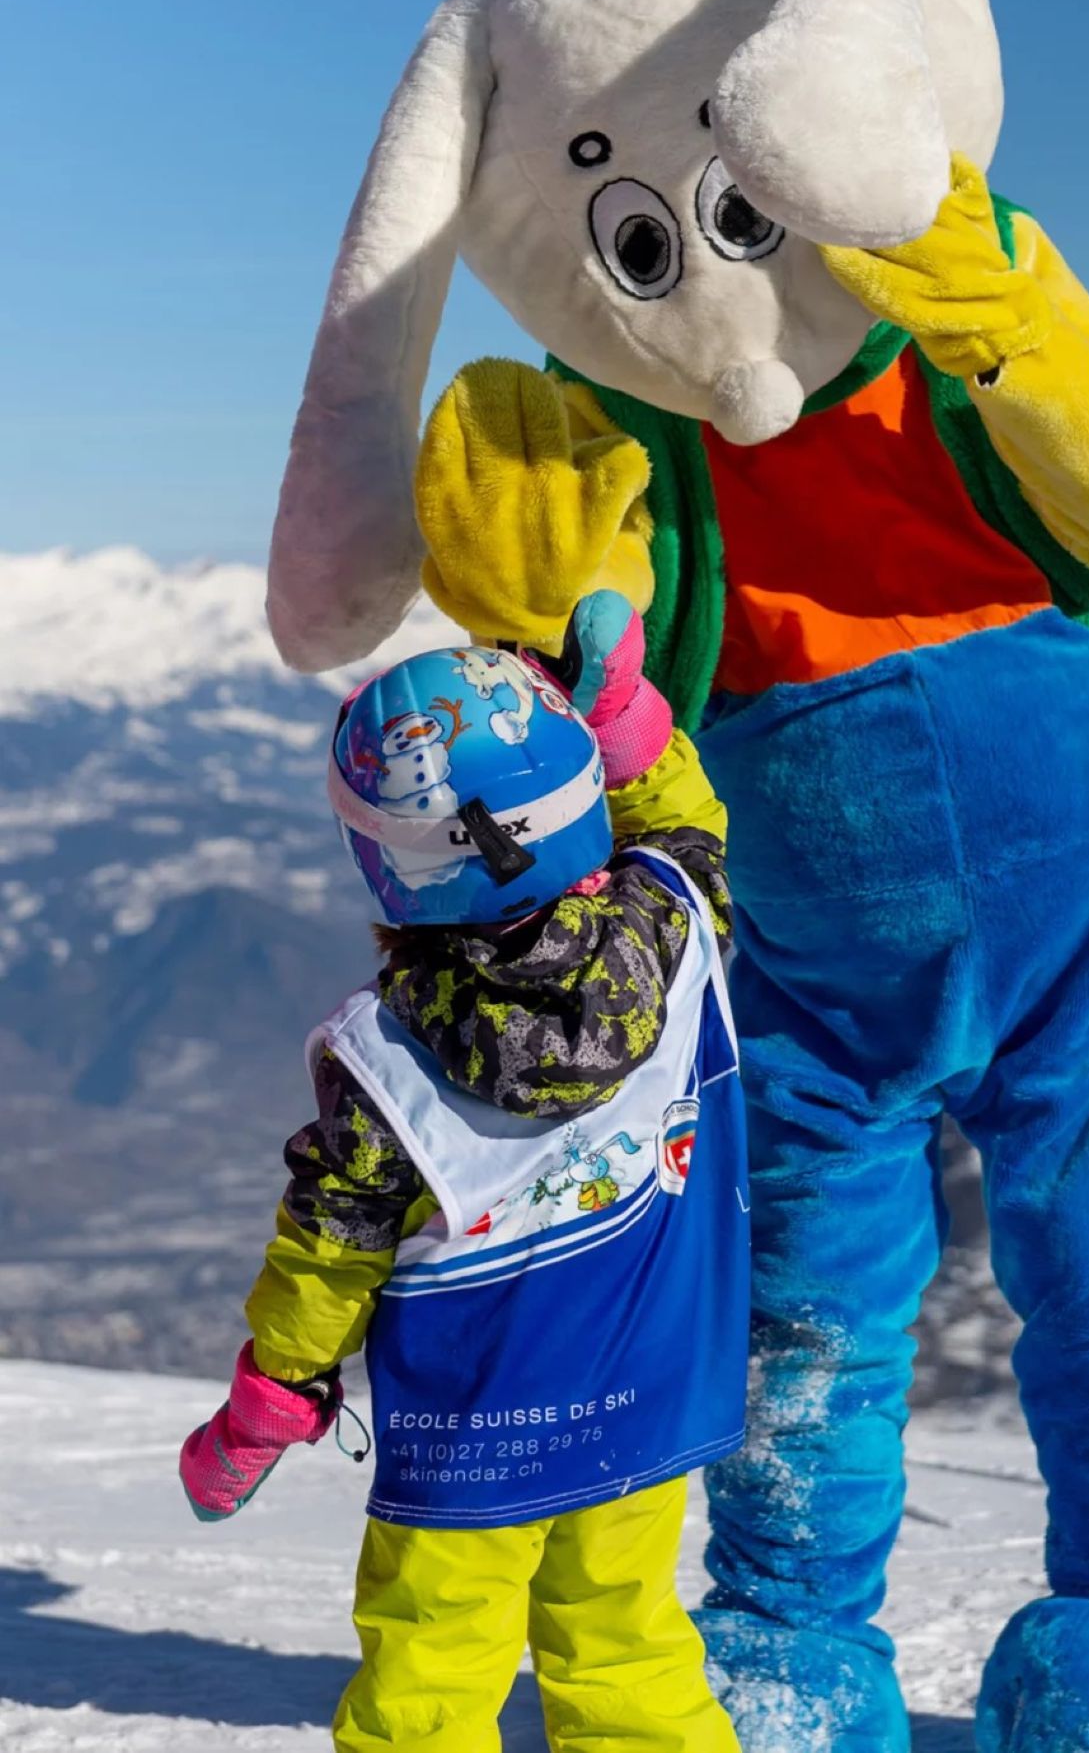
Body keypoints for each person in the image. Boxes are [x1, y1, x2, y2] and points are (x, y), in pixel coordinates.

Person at [179, 593, 747, 1753]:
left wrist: (273, 1393)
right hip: (643, 1404)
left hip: (474, 1436)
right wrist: (622, 711)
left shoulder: (387, 1056)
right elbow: (686, 817)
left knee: (431, 1670)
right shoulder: (678, 930)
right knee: (627, 1637)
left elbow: (330, 1245)